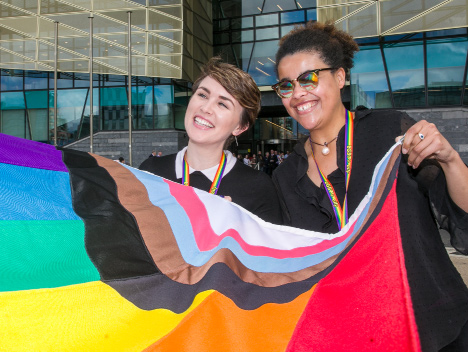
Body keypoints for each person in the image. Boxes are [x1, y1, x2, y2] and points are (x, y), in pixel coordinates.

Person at [271, 21, 468, 350]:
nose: (298, 94)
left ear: (340, 77)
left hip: (428, 325)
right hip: (348, 333)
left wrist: (450, 160)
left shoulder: (391, 131)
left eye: (309, 78)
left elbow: (460, 212)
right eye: (286, 86)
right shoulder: (285, 176)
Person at [140, 57, 282, 224]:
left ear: (240, 127)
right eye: (202, 95)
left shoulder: (258, 188)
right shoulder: (150, 172)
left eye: (222, 104)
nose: (205, 108)